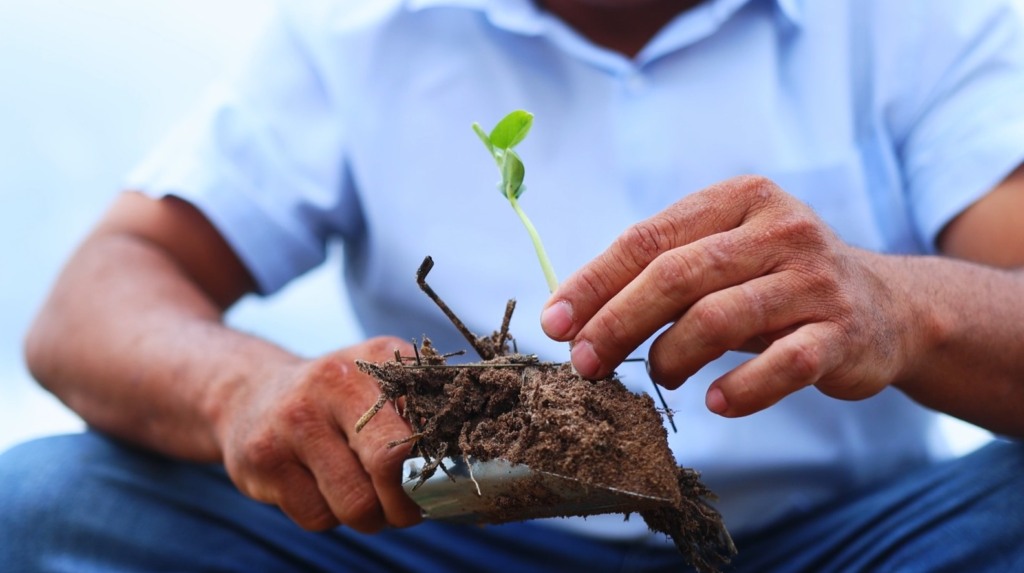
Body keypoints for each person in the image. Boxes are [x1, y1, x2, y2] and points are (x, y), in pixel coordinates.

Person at [3, 0, 1024, 570]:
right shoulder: (356, 36)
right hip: (460, 545)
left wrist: (905, 305)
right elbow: (99, 292)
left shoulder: (916, 22)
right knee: (53, 505)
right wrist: (240, 387)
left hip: (862, 547)